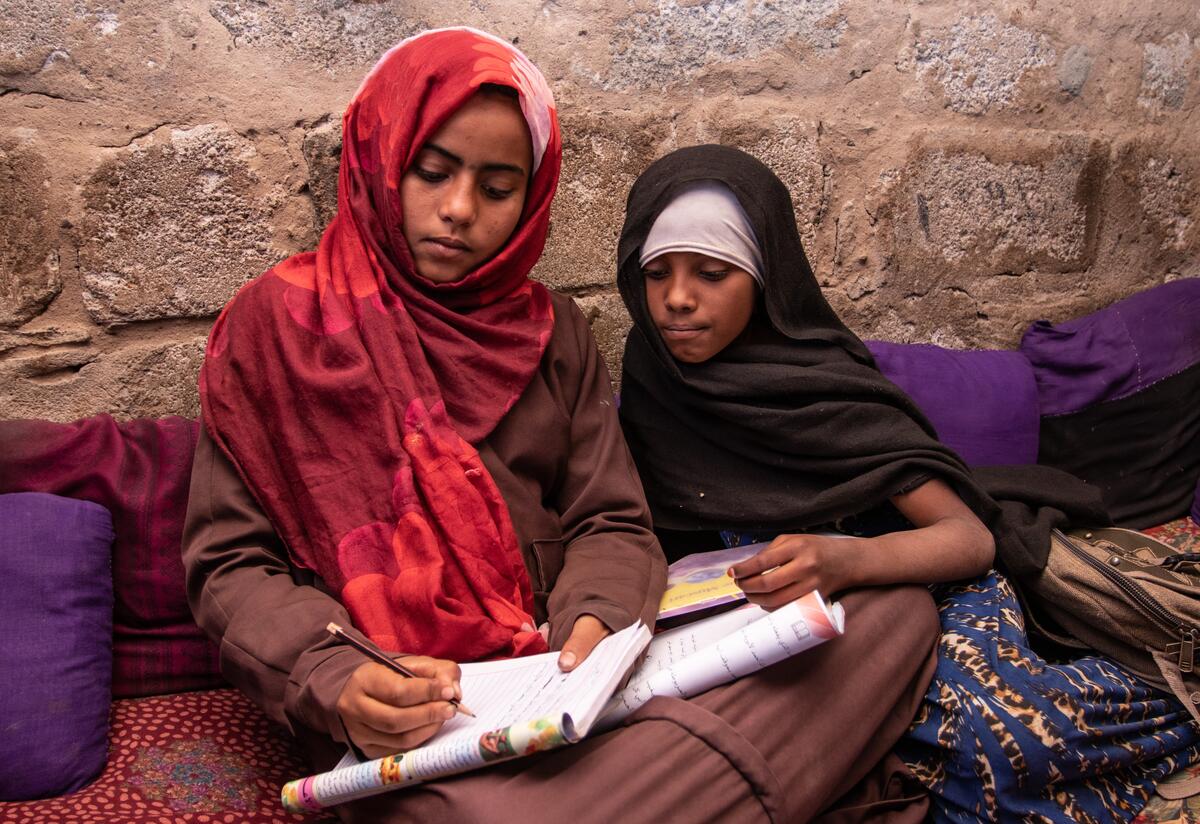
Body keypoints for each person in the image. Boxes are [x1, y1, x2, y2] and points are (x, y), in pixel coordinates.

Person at [183, 29, 940, 823]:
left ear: (532, 196)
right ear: (378, 160)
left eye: (498, 186)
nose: (458, 210)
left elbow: (610, 517)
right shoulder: (276, 329)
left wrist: (596, 627)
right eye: (431, 171)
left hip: (565, 679)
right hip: (411, 716)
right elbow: (229, 563)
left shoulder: (553, 331)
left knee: (889, 617)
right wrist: (335, 678)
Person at [615, 144, 1200, 822]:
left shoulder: (818, 381)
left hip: (914, 582)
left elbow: (967, 539)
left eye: (713, 273)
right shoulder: (656, 386)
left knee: (1001, 744)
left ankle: (1174, 705)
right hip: (773, 624)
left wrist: (845, 560)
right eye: (657, 273)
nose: (678, 300)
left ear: (766, 276)